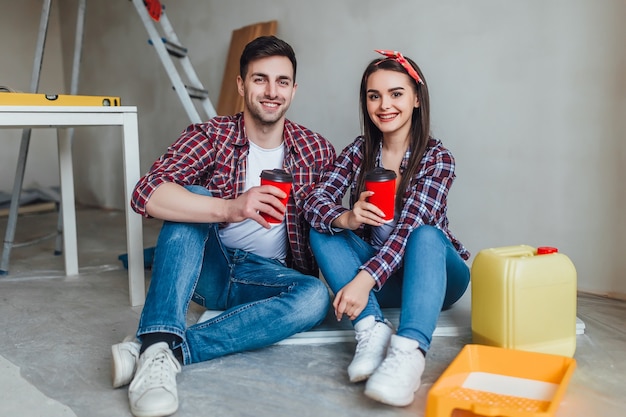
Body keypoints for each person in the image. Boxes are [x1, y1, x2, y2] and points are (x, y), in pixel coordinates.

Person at [111, 35, 336, 417]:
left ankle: (161, 350)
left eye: (282, 82)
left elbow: (331, 219)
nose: (271, 91)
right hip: (209, 268)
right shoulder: (210, 136)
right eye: (260, 79)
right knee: (191, 195)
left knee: (315, 296)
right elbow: (146, 193)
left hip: (265, 278)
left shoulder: (316, 150)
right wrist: (230, 208)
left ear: (293, 90)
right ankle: (159, 340)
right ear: (241, 84)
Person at [303, 49, 470, 407]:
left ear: (416, 99)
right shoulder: (359, 152)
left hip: (436, 275)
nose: (384, 105)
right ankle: (370, 329)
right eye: (374, 96)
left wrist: (363, 281)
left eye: (396, 93)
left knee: (425, 234)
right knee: (324, 227)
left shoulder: (437, 158)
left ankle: (408, 352)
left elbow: (410, 228)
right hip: (384, 280)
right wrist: (345, 218)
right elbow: (314, 202)